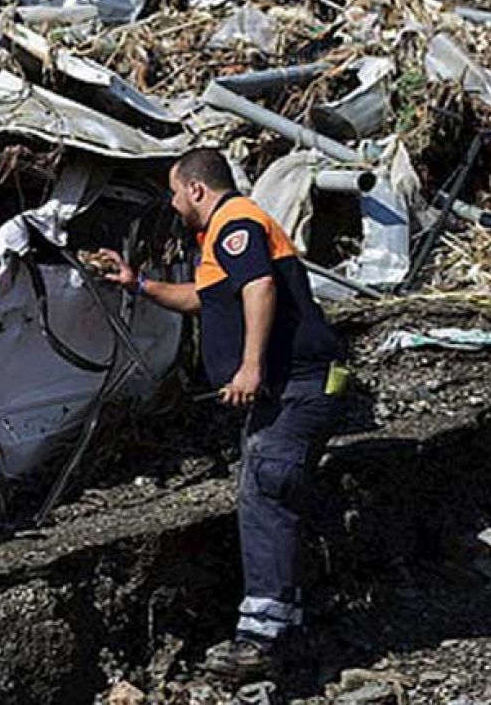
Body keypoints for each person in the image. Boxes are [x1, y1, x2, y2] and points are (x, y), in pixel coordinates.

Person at [98, 148, 346, 679]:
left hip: (291, 386)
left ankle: (261, 638)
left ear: (196, 189)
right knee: (274, 493)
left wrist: (250, 367)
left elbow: (259, 286)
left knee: (266, 492)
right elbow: (199, 297)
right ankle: (291, 629)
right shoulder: (219, 238)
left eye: (173, 191)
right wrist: (137, 283)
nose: (170, 202)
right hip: (294, 389)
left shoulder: (236, 222)